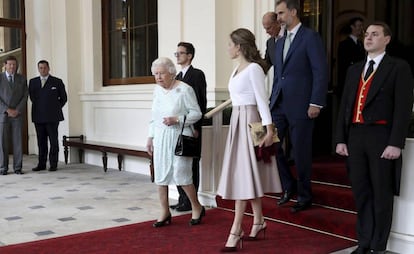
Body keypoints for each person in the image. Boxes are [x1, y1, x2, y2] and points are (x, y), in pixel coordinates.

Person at [335, 22, 414, 254]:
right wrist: (340, 138)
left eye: (375, 34)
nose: (368, 38)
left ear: (387, 39)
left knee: (381, 192)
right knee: (361, 191)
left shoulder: (398, 67)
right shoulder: (354, 69)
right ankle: (364, 242)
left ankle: (378, 246)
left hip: (381, 136)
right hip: (356, 136)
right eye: (366, 34)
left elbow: (403, 108)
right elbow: (345, 106)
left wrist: (395, 142)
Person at [216, 28, 282, 252]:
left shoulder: (254, 69)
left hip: (251, 122)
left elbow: (263, 101)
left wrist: (269, 131)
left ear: (239, 46)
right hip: (238, 120)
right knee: (247, 175)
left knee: (243, 176)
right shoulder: (237, 69)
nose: (227, 48)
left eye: (229, 44)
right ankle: (258, 221)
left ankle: (236, 230)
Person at [270, 0, 328, 212]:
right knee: (272, 145)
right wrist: (271, 102)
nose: (279, 17)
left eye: (282, 13)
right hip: (278, 105)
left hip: (303, 105)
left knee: (301, 151)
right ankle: (288, 186)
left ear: (294, 12)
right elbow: (279, 75)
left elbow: (320, 72)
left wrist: (316, 102)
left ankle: (304, 195)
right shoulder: (278, 41)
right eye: (277, 14)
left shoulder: (310, 37)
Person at [146, 57, 205, 228]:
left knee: (182, 174)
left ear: (171, 73)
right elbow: (153, 117)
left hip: (179, 137)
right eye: (155, 74)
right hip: (161, 137)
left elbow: (197, 113)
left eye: (161, 73)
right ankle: (164, 212)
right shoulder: (157, 90)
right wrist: (150, 137)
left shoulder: (185, 89)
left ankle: (196, 206)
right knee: (161, 176)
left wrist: (177, 119)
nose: (158, 77)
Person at [169, 42, 207, 212]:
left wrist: (197, 127)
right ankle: (181, 198)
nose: (177, 56)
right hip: (178, 127)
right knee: (179, 163)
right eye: (176, 53)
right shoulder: (176, 77)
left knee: (191, 164)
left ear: (189, 55)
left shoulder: (197, 75)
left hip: (192, 127)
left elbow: (201, 102)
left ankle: (191, 202)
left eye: (180, 53)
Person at [29, 60, 67, 172]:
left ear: (48, 68)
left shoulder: (57, 81)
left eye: (44, 67)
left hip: (53, 117)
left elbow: (64, 98)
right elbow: (32, 98)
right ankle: (41, 164)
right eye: (40, 68)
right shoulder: (33, 82)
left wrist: (54, 108)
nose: (42, 70)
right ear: (38, 69)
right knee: (41, 142)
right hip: (38, 117)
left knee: (53, 141)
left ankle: (53, 164)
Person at [0, 55, 28, 175]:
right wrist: (7, 109)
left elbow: (25, 96)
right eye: (10, 64)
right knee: (2, 143)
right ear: (5, 65)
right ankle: (2, 168)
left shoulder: (22, 79)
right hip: (3, 114)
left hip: (17, 114)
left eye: (14, 65)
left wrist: (17, 110)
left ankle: (18, 167)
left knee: (18, 142)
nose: (12, 67)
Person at [337, 17, 366, 98]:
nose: (361, 28)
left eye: (361, 26)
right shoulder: (344, 44)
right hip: (349, 80)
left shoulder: (360, 43)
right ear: (352, 27)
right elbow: (344, 65)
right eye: (359, 26)